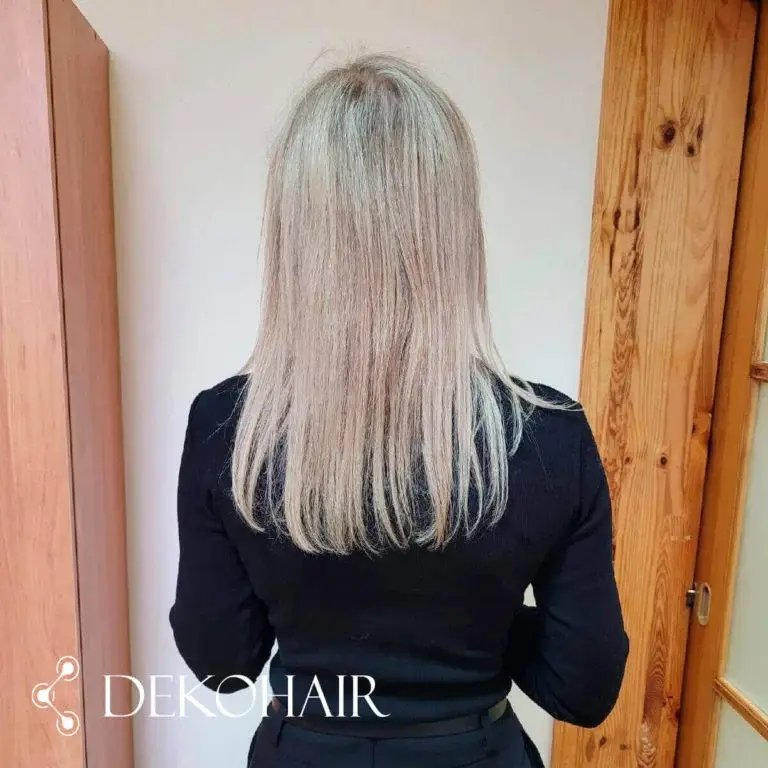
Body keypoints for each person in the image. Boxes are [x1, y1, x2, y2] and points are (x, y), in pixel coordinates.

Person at [170, 53, 628, 768]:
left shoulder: (230, 431)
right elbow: (584, 685)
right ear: (456, 230)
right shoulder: (550, 436)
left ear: (295, 234)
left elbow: (220, 662)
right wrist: (480, 619)